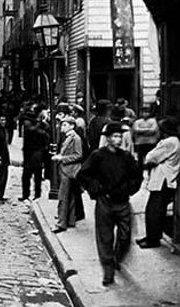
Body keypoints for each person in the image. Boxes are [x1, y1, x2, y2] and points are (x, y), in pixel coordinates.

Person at [76, 122, 143, 286]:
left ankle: (116, 258)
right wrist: (97, 189)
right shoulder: (98, 156)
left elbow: (137, 177)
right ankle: (108, 270)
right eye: (115, 136)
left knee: (125, 235)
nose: (118, 139)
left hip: (122, 202)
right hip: (105, 202)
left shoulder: (126, 157)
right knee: (105, 237)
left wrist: (129, 190)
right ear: (108, 138)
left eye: (120, 136)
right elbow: (83, 175)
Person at [136, 117, 180, 249]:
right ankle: (152, 236)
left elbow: (151, 157)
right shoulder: (172, 141)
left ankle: (153, 239)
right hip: (163, 179)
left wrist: (149, 159)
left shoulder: (170, 142)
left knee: (154, 211)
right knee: (156, 210)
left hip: (163, 180)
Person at [51, 116, 83, 233]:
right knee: (70, 197)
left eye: (65, 125)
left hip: (69, 171)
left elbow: (78, 155)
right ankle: (70, 220)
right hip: (67, 170)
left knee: (63, 197)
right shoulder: (69, 137)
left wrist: (61, 158)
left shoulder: (75, 138)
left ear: (72, 126)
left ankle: (61, 223)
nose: (62, 127)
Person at [19, 112, 49, 201]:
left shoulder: (34, 130)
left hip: (35, 156)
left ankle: (32, 195)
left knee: (33, 178)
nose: (24, 122)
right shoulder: (35, 128)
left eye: (26, 121)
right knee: (33, 178)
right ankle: (33, 195)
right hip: (31, 156)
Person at [132, 106, 159, 171]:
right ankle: (139, 173)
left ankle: (151, 171)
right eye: (143, 112)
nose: (145, 114)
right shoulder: (137, 121)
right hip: (140, 142)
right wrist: (148, 131)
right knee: (140, 159)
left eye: (147, 112)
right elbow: (136, 129)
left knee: (150, 158)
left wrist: (142, 131)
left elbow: (154, 130)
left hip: (151, 142)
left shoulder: (153, 121)